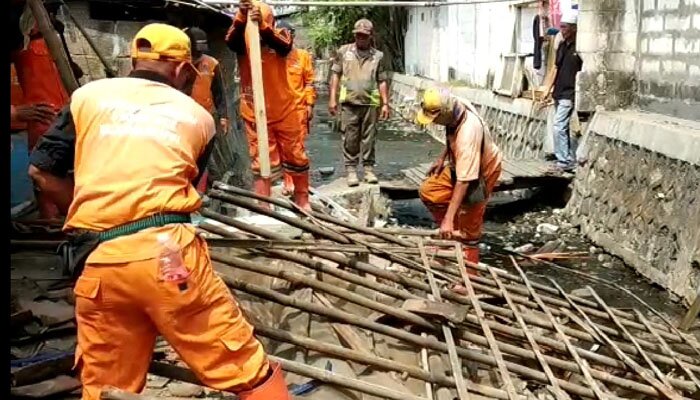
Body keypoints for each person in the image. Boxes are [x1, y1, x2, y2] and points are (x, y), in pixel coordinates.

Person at [28, 23, 291, 400]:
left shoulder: (88, 97)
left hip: (99, 263)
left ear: (133, 60)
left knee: (106, 386)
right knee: (246, 369)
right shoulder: (197, 117)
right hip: (169, 259)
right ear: (185, 70)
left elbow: (40, 170)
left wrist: (95, 213)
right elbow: (185, 184)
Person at [225, 0, 311, 210]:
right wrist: (241, 18)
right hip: (254, 109)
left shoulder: (281, 35)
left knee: (296, 156)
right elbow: (231, 42)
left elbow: (283, 46)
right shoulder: (242, 41)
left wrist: (262, 26)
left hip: (285, 109)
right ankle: (263, 204)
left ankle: (302, 199)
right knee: (260, 159)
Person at [416, 88, 502, 268]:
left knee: (470, 220)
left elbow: (465, 180)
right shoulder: (455, 105)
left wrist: (448, 218)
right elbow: (452, 133)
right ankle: (452, 235)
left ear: (444, 113)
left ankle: (469, 275)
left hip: (481, 172)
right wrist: (442, 157)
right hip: (461, 161)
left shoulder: (468, 134)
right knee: (431, 190)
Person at [11, 0, 81, 219]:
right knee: (47, 180)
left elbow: (72, 75)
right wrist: (14, 113)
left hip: (66, 122)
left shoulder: (50, 44)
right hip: (44, 125)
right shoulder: (25, 42)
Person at [329, 18, 390, 187]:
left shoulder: (378, 56)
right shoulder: (343, 52)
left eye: (364, 36)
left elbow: (382, 80)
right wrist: (332, 98)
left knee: (369, 138)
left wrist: (385, 103)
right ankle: (351, 170)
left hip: (370, 103)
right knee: (350, 137)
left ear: (370, 36)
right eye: (358, 35)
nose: (360, 38)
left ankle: (369, 169)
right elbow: (335, 75)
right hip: (349, 102)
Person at [184, 26, 229, 193]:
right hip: (182, 118)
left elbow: (219, 92)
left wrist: (224, 116)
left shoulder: (211, 64)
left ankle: (199, 194)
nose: (198, 55)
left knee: (203, 157)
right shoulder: (178, 63)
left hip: (204, 118)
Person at [276, 20, 316, 197]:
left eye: (288, 34)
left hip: (298, 109)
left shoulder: (302, 56)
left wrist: (310, 104)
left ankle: (300, 184)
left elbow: (309, 82)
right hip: (278, 110)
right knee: (280, 148)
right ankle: (287, 181)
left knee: (297, 148)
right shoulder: (272, 56)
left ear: (292, 35)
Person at [545, 11, 582, 173]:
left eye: (565, 27)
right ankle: (567, 158)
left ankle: (563, 160)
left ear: (574, 28)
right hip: (559, 92)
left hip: (570, 93)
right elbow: (555, 68)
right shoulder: (561, 46)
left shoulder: (580, 48)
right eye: (561, 27)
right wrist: (547, 89)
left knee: (558, 126)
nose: (562, 30)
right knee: (563, 127)